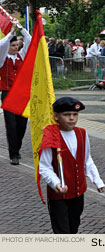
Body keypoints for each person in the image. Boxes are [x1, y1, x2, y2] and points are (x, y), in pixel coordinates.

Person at [39, 97, 105, 234]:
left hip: (78, 191)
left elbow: (87, 160)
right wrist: (55, 183)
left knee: (74, 227)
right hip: (59, 195)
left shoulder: (82, 133)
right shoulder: (51, 134)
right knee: (63, 232)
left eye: (75, 115)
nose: (72, 118)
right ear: (56, 116)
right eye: (66, 115)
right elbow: (44, 166)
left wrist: (97, 180)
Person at [0, 20, 31, 165]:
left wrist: (21, 28)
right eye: (12, 45)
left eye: (17, 45)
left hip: (22, 95)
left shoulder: (21, 56)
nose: (15, 48)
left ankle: (16, 149)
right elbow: (1, 45)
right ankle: (13, 153)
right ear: (8, 46)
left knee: (22, 125)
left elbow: (30, 41)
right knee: (11, 125)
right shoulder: (2, 58)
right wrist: (11, 33)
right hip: (8, 94)